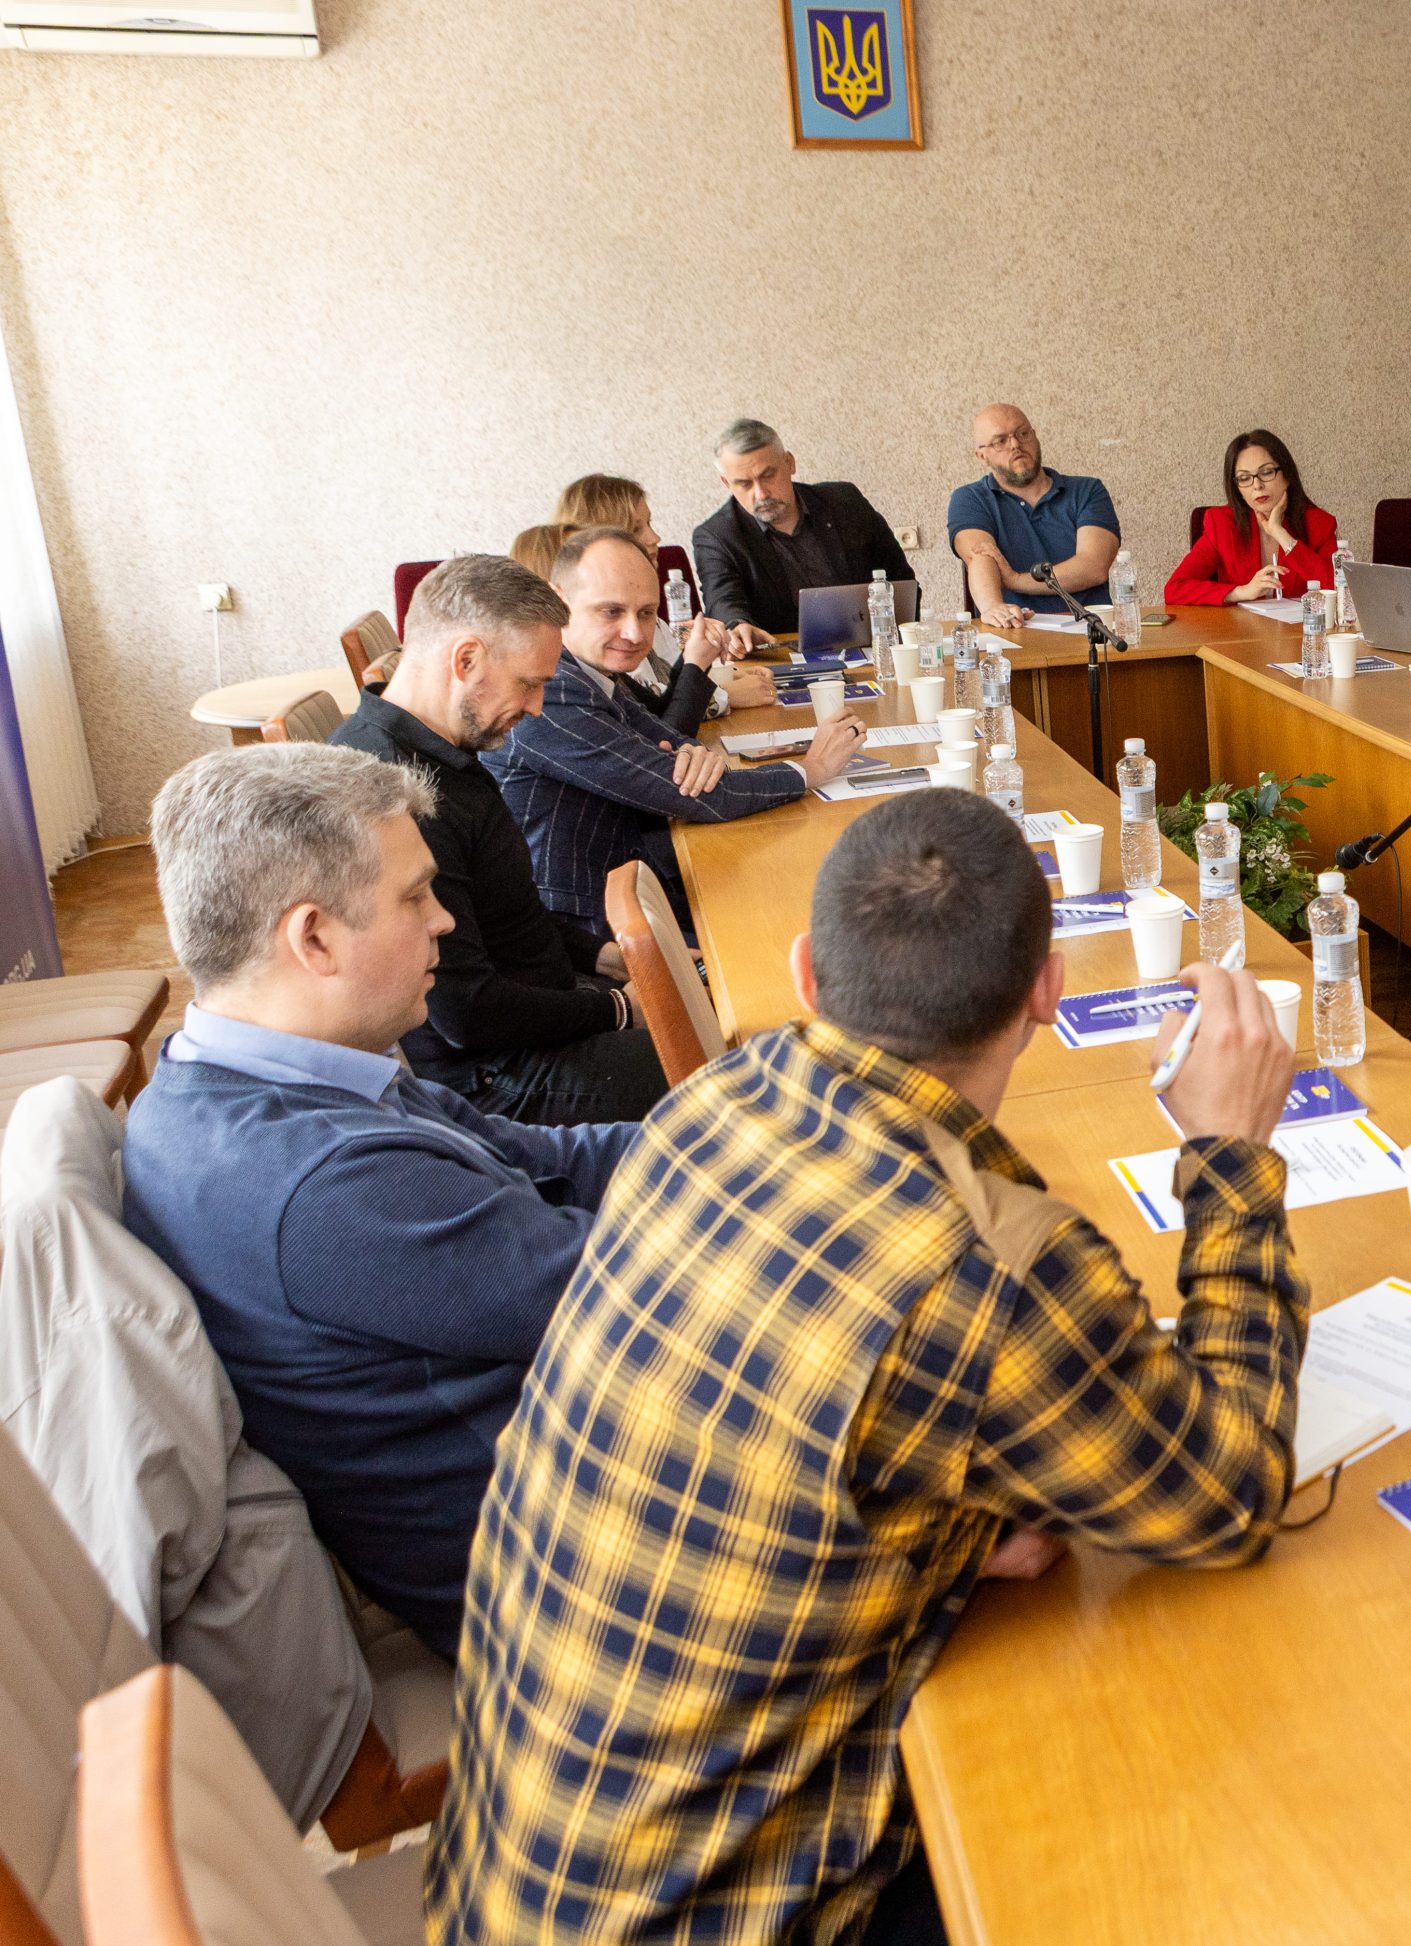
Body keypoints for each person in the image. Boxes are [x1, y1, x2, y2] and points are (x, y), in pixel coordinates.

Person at [428, 790, 1305, 1946]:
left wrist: (947, 1531)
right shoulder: (990, 1268)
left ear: (804, 970)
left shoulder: (706, 1107)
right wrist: (1229, 1154)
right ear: (1046, 990)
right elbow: (1231, 1490)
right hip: (726, 1912)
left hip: (517, 1885)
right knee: (1184, 1810)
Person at [120, 743, 641, 1661]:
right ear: (314, 938)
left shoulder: (268, 1077)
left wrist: (762, 1130)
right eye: (416, 897)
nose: (445, 920)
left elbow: (553, 1160)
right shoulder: (324, 1185)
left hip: (589, 1473)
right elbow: (657, 1296)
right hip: (586, 1591)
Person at [332, 554, 668, 1126]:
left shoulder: (442, 747)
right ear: (465, 659)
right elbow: (466, 1013)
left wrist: (602, 956)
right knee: (735, 1065)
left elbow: (505, 911)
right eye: (529, 684)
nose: (536, 706)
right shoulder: (398, 794)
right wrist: (616, 1009)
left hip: (539, 1015)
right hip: (499, 1078)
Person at [487, 527, 867, 940]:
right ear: (559, 601)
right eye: (611, 612)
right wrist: (811, 770)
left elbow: (669, 738)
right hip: (585, 927)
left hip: (630, 884)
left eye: (646, 613)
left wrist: (692, 756)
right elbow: (694, 793)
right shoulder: (554, 690)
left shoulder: (587, 670)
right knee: (796, 917)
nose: (635, 633)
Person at [556, 471, 776, 718]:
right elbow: (659, 718)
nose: (654, 538)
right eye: (636, 529)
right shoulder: (601, 650)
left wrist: (720, 675)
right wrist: (721, 694)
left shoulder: (646, 618)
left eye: (649, 524)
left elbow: (667, 688)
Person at [691, 418, 916, 644]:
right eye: (744, 484)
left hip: (869, 645)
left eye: (768, 475)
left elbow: (900, 579)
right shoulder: (716, 537)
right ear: (726, 483)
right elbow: (722, 601)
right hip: (779, 656)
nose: (761, 494)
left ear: (789, 463)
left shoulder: (845, 502)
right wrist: (737, 625)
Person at [948, 402, 1122, 629]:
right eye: (1000, 441)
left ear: (1035, 436)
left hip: (1090, 630)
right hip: (1015, 628)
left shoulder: (1087, 491)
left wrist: (1015, 580)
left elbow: (1093, 568)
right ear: (982, 456)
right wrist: (992, 606)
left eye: (1022, 433)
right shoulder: (970, 499)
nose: (1015, 445)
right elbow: (980, 556)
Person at [1165, 430, 1338, 605]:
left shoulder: (1319, 523)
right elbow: (1175, 588)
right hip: (1241, 624)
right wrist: (1241, 592)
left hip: (1301, 623)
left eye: (1267, 472)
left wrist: (1281, 535)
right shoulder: (1221, 524)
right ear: (1237, 488)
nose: (1257, 485)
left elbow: (1337, 587)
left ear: (1287, 475)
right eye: (1244, 478)